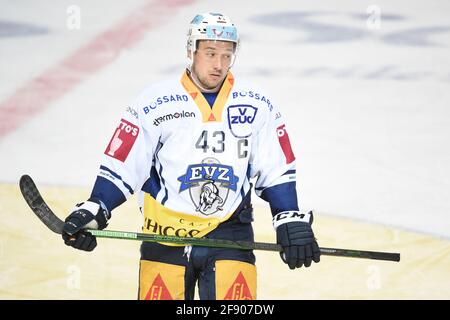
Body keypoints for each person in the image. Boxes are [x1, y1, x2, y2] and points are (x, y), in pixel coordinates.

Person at [61, 12, 320, 300]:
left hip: (230, 234)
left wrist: (288, 217)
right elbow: (123, 166)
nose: (219, 64)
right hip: (164, 235)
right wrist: (96, 209)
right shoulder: (154, 103)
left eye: (227, 55)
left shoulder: (257, 104)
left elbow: (276, 168)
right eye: (210, 53)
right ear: (191, 50)